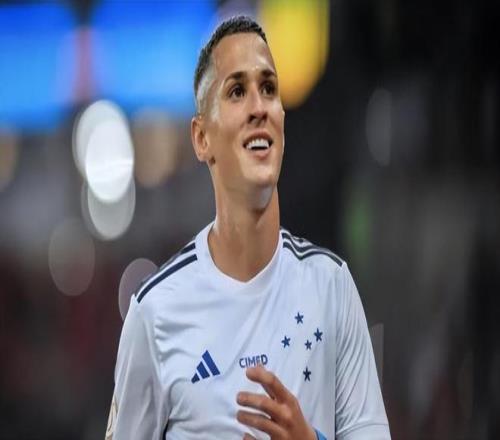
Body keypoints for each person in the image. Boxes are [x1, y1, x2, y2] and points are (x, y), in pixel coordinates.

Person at [107, 16, 390, 440]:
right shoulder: (155, 312)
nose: (259, 107)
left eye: (269, 88)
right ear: (201, 138)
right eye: (237, 91)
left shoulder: (332, 287)